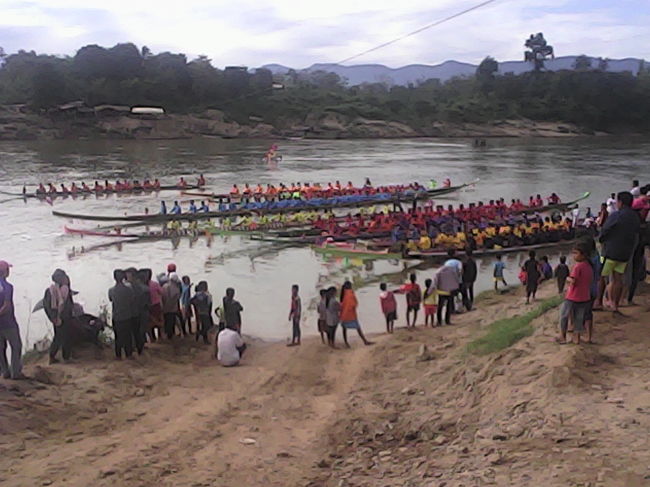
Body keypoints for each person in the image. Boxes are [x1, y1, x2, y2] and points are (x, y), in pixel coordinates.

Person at [599, 191, 641, 315]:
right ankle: (615, 305)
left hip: (609, 252)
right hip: (625, 254)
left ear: (620, 202)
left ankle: (600, 302)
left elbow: (605, 230)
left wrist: (602, 239)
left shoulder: (616, 215)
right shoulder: (635, 217)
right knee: (618, 278)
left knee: (601, 275)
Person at [557, 243, 594, 345]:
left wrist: (567, 278)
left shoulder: (578, 267)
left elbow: (573, 281)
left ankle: (563, 336)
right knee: (579, 318)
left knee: (564, 315)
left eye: (576, 253)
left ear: (583, 255)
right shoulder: (589, 266)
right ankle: (576, 338)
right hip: (584, 296)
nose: (574, 255)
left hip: (573, 296)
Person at [0, 260, 25, 380]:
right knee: (16, 346)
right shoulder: (8, 287)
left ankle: (5, 371)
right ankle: (15, 372)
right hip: (8, 323)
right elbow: (6, 306)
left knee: (1, 349)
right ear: (5, 272)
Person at [44, 268, 73, 364]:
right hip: (58, 317)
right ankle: (57, 356)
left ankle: (63, 356)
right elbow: (47, 306)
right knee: (60, 337)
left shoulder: (64, 289)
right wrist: (53, 318)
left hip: (64, 317)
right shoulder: (51, 291)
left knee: (65, 337)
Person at [108, 270, 136, 359]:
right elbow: (132, 300)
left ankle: (118, 355)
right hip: (127, 315)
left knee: (118, 337)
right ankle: (129, 354)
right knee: (128, 336)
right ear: (124, 278)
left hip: (116, 316)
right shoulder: (129, 289)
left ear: (114, 278)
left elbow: (111, 300)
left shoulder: (111, 290)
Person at [340, 281, 373, 347]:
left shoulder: (343, 294)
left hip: (344, 315)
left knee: (344, 329)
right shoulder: (350, 293)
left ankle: (346, 343)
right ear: (349, 286)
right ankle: (365, 341)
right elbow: (354, 304)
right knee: (358, 328)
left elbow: (342, 304)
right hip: (351, 314)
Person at [125, 268, 147, 355]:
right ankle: (138, 348)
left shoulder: (134, 287)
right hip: (136, 312)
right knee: (136, 332)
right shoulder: (139, 286)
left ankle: (137, 348)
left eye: (128, 276)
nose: (126, 277)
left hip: (134, 313)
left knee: (135, 332)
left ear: (133, 276)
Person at [161, 273, 181, 339]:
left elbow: (163, 297)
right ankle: (171, 334)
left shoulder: (165, 286)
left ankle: (167, 335)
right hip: (173, 308)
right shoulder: (177, 288)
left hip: (165, 307)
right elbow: (177, 298)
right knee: (171, 321)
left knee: (167, 321)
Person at [145, 269, 163, 341]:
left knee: (149, 323)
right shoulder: (155, 284)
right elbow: (162, 292)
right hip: (156, 305)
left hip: (148, 306)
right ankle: (160, 337)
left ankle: (152, 338)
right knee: (158, 321)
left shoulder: (143, 285)